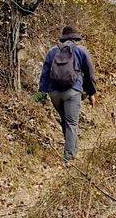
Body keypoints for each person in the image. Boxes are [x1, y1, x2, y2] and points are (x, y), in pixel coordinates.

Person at [37, 25, 97, 163]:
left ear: (63, 38)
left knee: (65, 121)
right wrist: (91, 93)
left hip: (54, 94)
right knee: (71, 123)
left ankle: (73, 150)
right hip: (72, 92)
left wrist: (41, 94)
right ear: (76, 38)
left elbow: (45, 75)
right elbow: (89, 74)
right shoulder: (81, 51)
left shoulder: (52, 52)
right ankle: (69, 158)